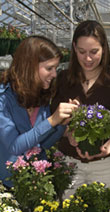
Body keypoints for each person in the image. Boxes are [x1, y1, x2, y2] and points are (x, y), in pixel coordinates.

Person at [51, 20, 110, 198]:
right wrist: (67, 132)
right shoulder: (63, 79)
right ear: (74, 48)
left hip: (106, 166)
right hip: (69, 163)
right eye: (81, 52)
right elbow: (52, 121)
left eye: (94, 52)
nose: (88, 59)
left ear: (104, 48)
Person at [0, 35, 79, 188]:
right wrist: (52, 121)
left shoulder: (39, 97)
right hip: (9, 185)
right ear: (29, 66)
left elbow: (42, 145)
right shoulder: (4, 100)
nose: (55, 74)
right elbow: (15, 147)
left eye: (55, 68)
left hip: (36, 183)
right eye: (49, 68)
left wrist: (61, 124)